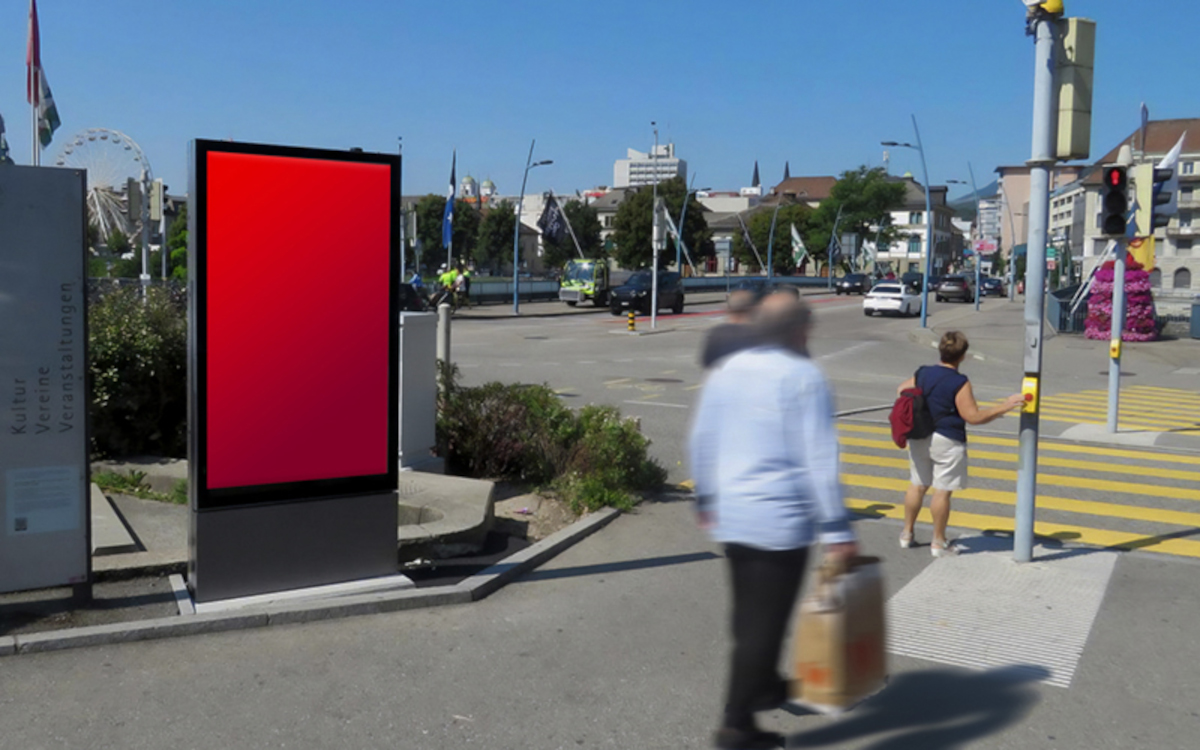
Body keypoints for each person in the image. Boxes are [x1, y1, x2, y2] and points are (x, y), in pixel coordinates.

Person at [689, 296, 857, 750]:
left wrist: (705, 496)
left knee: (749, 617)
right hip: (779, 524)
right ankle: (735, 727)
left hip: (731, 516)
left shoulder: (727, 370)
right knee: (763, 628)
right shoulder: (805, 377)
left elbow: (702, 436)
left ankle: (762, 687)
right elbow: (819, 458)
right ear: (799, 331)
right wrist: (838, 529)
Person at [896, 331, 1025, 556]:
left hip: (920, 435)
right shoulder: (959, 381)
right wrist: (1005, 406)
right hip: (947, 438)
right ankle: (938, 542)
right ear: (963, 356)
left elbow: (901, 390)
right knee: (942, 491)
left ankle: (907, 534)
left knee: (917, 484)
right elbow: (973, 417)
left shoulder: (923, 372)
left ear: (941, 350)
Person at [699, 289, 759, 369]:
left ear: (728, 310)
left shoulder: (716, 335)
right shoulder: (759, 335)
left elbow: (707, 363)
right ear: (753, 310)